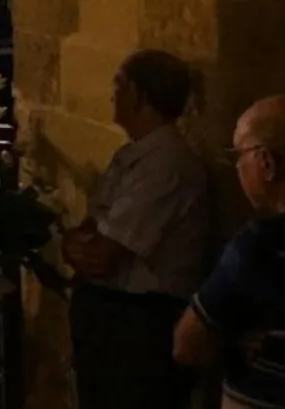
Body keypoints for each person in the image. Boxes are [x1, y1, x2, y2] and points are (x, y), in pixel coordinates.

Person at [63, 49, 211, 409]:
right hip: (113, 317)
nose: (113, 94)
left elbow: (101, 256)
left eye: (120, 84)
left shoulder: (165, 167)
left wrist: (76, 246)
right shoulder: (132, 156)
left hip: (140, 325)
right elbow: (88, 229)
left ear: (141, 95)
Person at [174, 94, 285, 408]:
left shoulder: (266, 243)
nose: (237, 167)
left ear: (267, 162)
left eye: (239, 155)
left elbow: (188, 346)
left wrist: (233, 339)